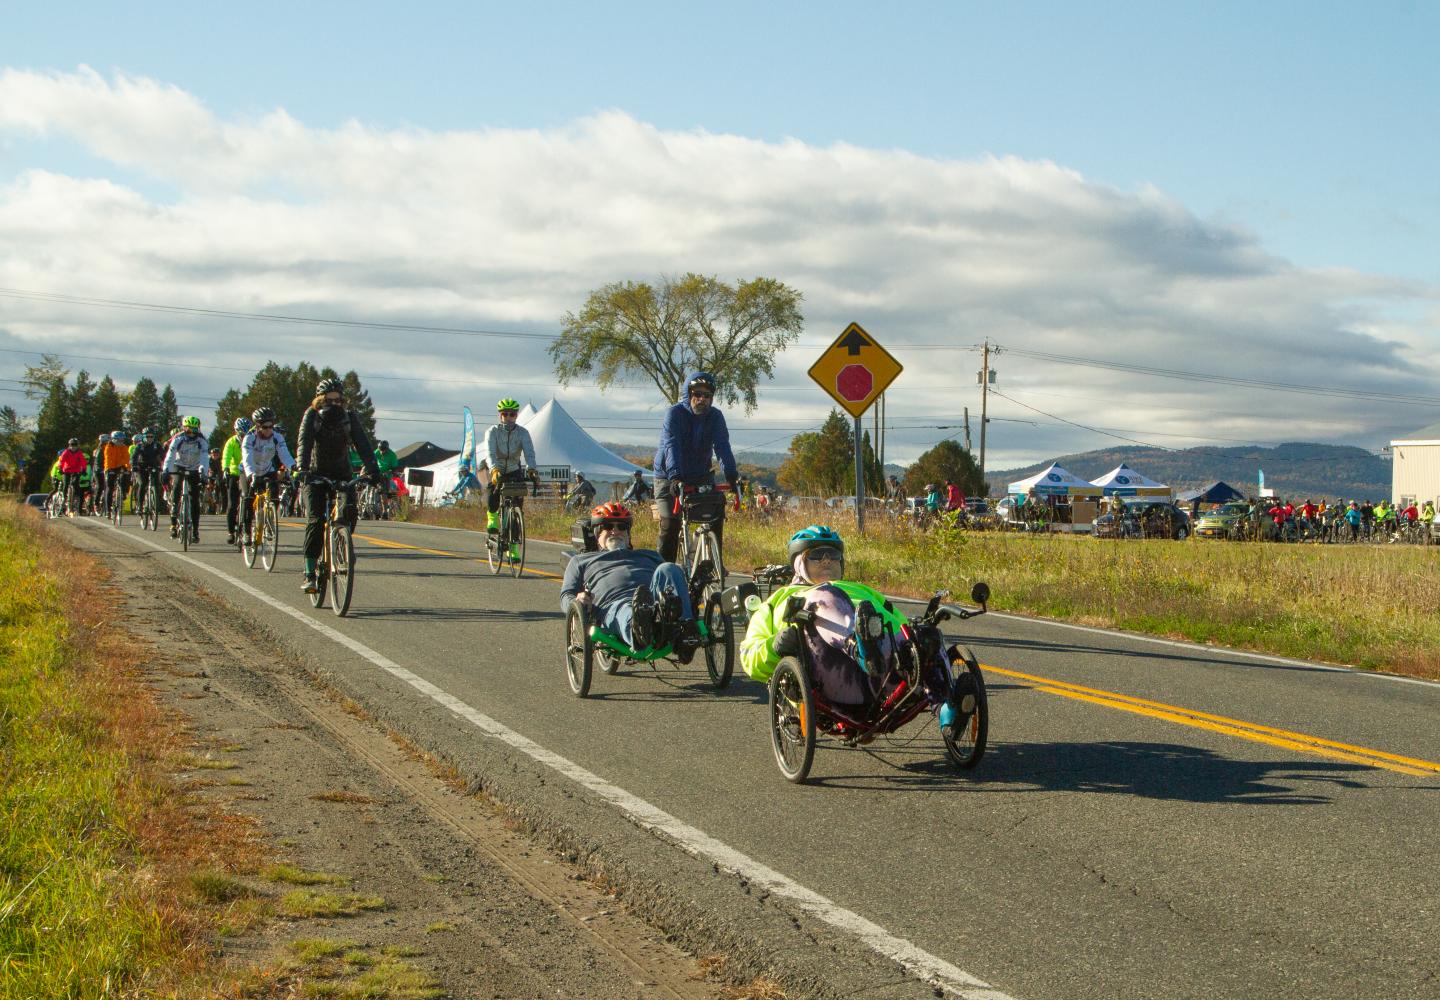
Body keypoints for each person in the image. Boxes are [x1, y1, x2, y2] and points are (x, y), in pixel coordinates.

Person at [559, 502, 702, 660]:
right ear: (597, 532)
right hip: (613, 605)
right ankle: (638, 629)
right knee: (626, 608)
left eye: (621, 527)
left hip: (655, 600)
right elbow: (566, 595)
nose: (615, 531)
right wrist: (577, 599)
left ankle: (686, 631)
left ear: (628, 534)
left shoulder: (649, 555)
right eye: (607, 526)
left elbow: (670, 580)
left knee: (669, 568)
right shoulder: (581, 561)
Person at [296, 377, 382, 593]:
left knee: (349, 512)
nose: (334, 404)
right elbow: (304, 443)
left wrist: (373, 470)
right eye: (329, 400)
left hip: (342, 473)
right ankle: (309, 573)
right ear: (320, 399)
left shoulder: (349, 417)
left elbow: (363, 443)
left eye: (338, 400)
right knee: (316, 520)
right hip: (315, 474)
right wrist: (302, 469)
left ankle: (342, 543)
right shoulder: (312, 415)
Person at [653, 371, 739, 564]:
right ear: (688, 394)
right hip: (668, 475)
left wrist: (731, 476)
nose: (702, 399)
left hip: (700, 474)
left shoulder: (715, 417)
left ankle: (713, 564)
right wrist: (675, 476)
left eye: (707, 396)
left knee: (714, 515)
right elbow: (671, 445)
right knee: (671, 524)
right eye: (697, 394)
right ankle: (664, 571)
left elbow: (722, 446)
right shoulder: (674, 413)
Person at [482, 399, 538, 537]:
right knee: (493, 489)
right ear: (500, 415)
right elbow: (490, 453)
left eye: (512, 414)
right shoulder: (492, 431)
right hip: (496, 466)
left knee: (517, 504)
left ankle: (513, 547)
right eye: (505, 414)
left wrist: (531, 469)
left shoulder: (523, 432)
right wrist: (494, 470)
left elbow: (529, 452)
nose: (508, 417)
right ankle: (492, 518)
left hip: (513, 468)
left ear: (516, 416)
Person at [240, 407, 294, 540]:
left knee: (274, 496)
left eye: (271, 426)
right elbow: (247, 458)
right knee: (248, 499)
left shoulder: (277, 436)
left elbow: (284, 454)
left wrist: (293, 466)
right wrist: (251, 475)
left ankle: (269, 523)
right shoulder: (249, 438)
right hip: (249, 470)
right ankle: (246, 532)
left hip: (267, 469)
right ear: (257, 426)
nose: (269, 429)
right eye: (265, 427)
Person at [163, 416, 210, 541]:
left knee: (194, 499)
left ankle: (195, 530)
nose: (192, 433)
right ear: (184, 428)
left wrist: (203, 473)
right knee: (177, 489)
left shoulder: (202, 440)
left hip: (195, 468)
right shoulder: (178, 439)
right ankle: (173, 524)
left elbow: (205, 458)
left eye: (194, 430)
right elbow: (170, 455)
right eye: (189, 430)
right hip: (179, 466)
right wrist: (166, 470)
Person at [223, 417, 251, 543]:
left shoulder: (251, 441)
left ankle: (246, 529)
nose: (243, 436)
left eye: (246, 433)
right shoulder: (231, 442)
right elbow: (226, 456)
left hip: (247, 472)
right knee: (232, 504)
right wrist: (226, 468)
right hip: (234, 473)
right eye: (241, 434)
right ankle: (230, 532)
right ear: (236, 432)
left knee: (247, 501)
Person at [131, 428, 165, 517]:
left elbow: (163, 455)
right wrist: (134, 466)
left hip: (154, 467)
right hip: (141, 468)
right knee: (142, 484)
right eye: (148, 436)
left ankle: (156, 505)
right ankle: (140, 505)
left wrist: (162, 465)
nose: (150, 438)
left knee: (156, 485)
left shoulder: (157, 445)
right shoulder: (140, 446)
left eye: (151, 436)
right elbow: (134, 457)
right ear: (144, 437)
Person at [102, 430, 132, 514]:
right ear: (113, 439)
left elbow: (127, 459)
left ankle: (123, 493)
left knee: (126, 477)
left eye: (122, 440)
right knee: (110, 487)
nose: (121, 442)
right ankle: (108, 510)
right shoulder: (108, 447)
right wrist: (110, 470)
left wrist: (128, 469)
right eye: (119, 440)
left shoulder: (124, 447)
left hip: (120, 466)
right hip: (110, 467)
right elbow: (108, 460)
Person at [56, 438, 88, 516]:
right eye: (72, 445)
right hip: (66, 471)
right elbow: (61, 460)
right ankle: (64, 498)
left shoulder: (79, 453)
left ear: (78, 446)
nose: (73, 447)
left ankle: (76, 497)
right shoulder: (66, 452)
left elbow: (83, 461)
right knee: (66, 484)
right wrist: (60, 468)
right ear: (69, 445)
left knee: (76, 483)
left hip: (76, 471)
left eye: (75, 445)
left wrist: (84, 469)